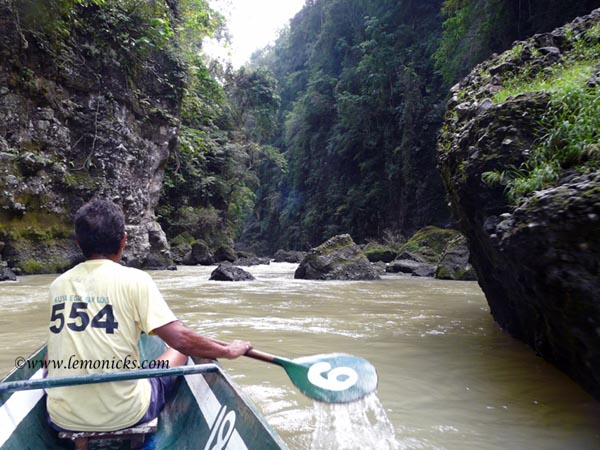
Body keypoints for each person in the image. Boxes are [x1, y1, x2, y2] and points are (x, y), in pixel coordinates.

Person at [46, 198, 252, 432]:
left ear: (78, 242)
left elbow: (49, 359)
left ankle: (81, 441)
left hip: (61, 418)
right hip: (125, 414)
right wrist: (228, 350)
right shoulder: (136, 280)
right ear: (123, 240)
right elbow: (181, 339)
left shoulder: (58, 285)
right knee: (178, 348)